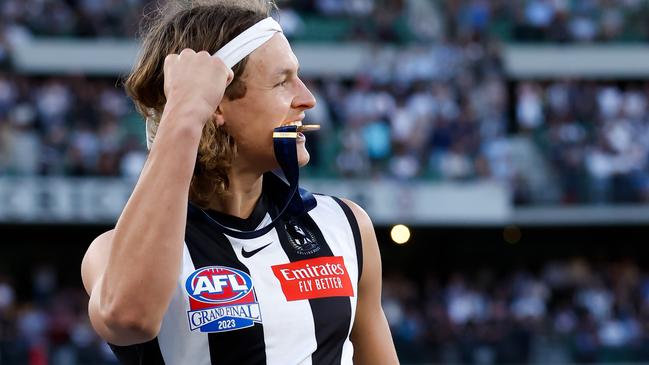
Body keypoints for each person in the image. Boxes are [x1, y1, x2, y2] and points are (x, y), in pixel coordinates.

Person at [80, 0, 399, 364]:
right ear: (215, 106)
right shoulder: (111, 252)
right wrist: (184, 113)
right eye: (282, 81)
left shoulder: (344, 224)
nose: (307, 99)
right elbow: (129, 318)